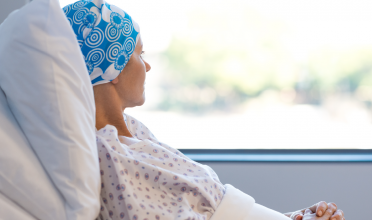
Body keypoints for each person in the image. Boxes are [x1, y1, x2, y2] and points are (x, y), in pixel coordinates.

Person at [63, 1, 345, 220]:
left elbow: (209, 208)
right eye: (140, 54)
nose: (147, 66)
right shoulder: (109, 154)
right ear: (113, 64)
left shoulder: (134, 131)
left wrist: (293, 216)